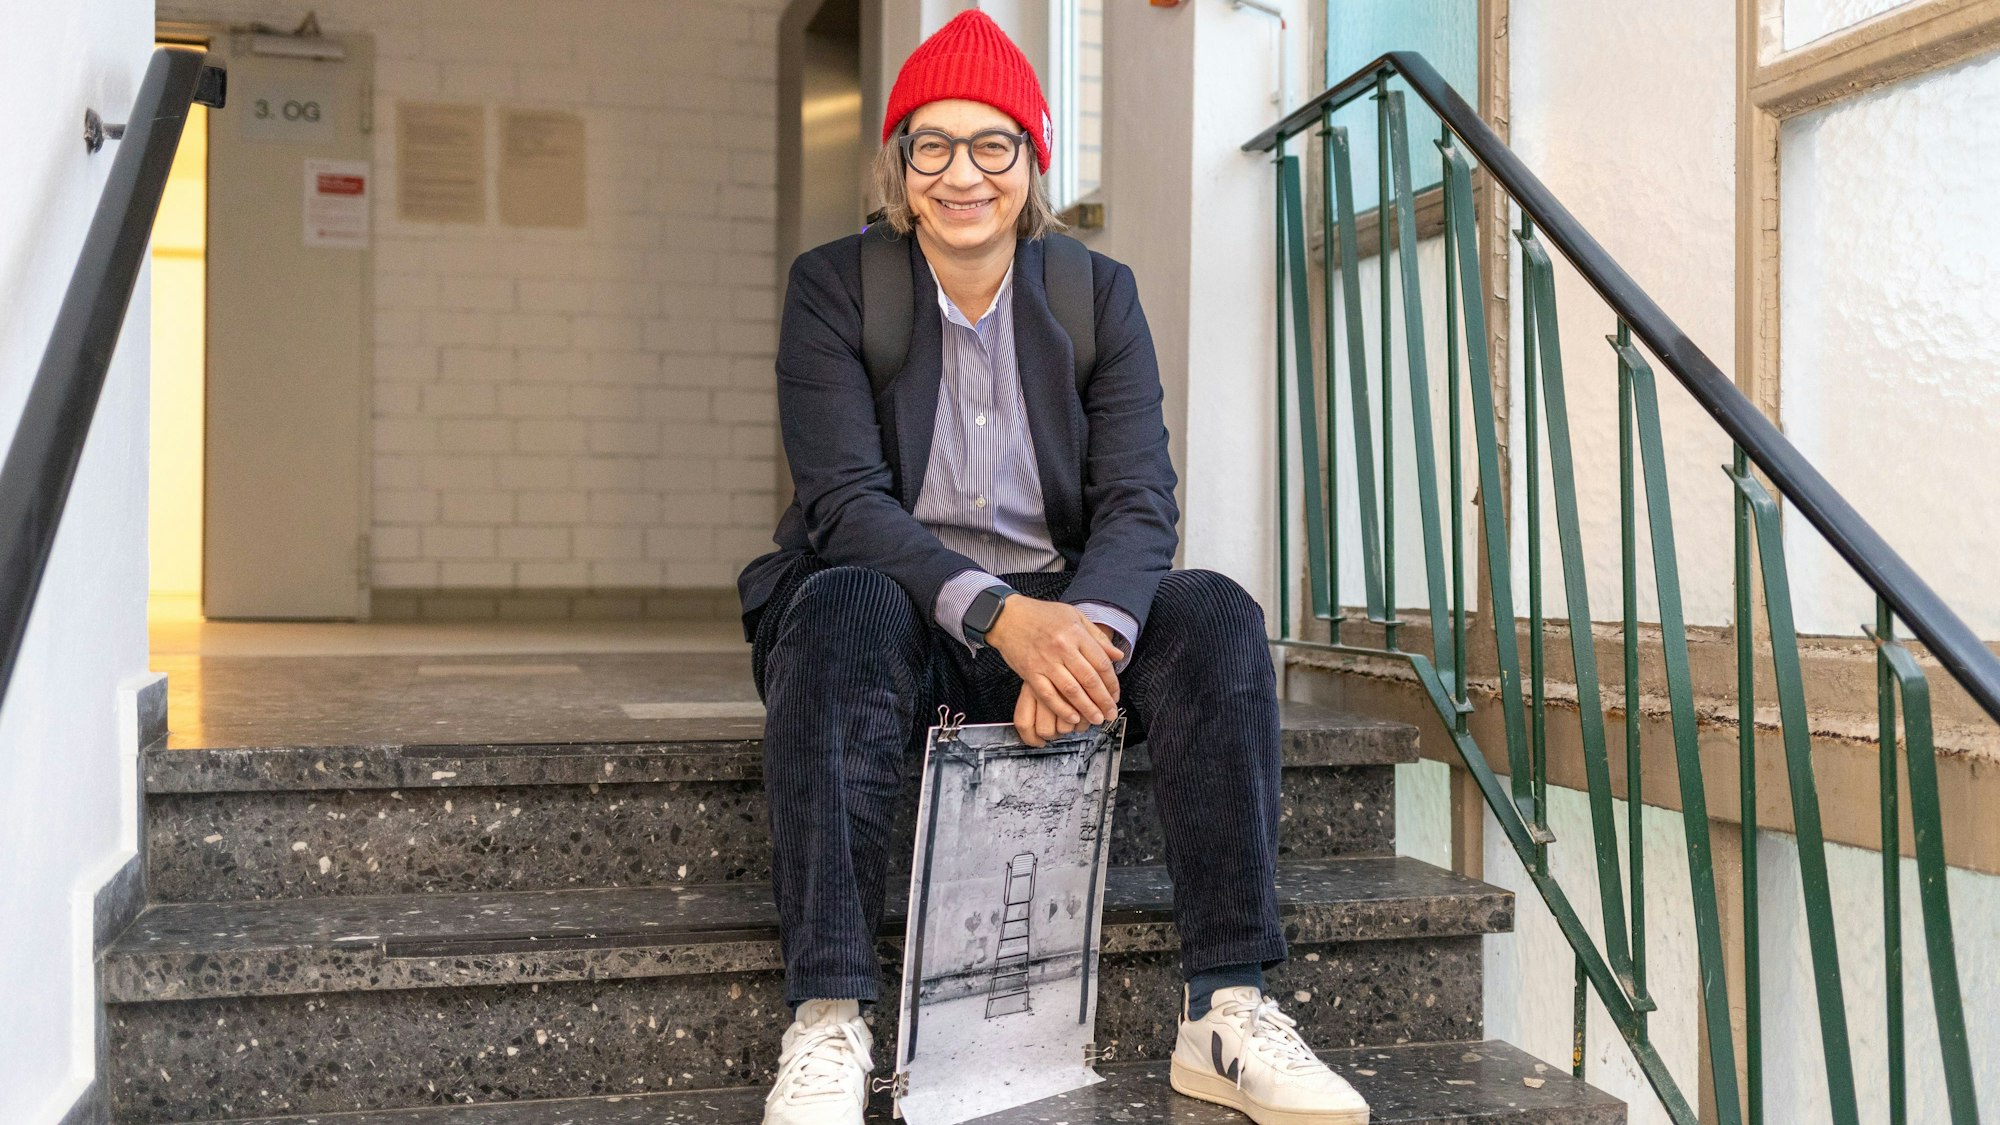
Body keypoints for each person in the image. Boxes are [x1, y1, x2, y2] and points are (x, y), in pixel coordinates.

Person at [738, 11, 1369, 1125]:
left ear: (1031, 164)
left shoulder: (1093, 294)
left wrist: (1084, 640)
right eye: (930, 144)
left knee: (1216, 613)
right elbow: (842, 505)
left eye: (993, 145)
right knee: (834, 605)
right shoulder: (836, 287)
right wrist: (999, 622)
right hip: (900, 620)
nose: (962, 173)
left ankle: (1227, 1007)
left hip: (1059, 624)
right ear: (898, 166)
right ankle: (828, 1020)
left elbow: (1138, 502)